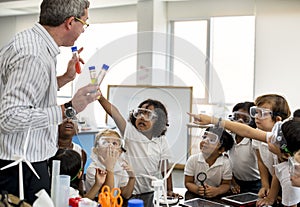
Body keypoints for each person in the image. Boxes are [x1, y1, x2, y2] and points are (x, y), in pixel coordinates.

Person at [0, 0, 101, 204]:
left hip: (25, 162)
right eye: (85, 23)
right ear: (70, 22)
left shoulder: (33, 44)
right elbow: (9, 118)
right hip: (19, 168)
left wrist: (65, 78)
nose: (83, 30)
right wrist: (70, 108)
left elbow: (31, 95)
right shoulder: (33, 54)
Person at [188, 94, 291, 206]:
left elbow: (279, 171)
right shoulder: (261, 136)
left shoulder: (280, 139)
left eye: (262, 113)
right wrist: (265, 185)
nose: (256, 116)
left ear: (277, 119)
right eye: (255, 112)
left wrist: (271, 197)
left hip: (286, 183)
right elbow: (262, 161)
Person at [98, 96, 178, 206]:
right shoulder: (130, 131)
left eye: (148, 114)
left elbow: (165, 168)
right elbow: (115, 113)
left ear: (159, 121)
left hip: (149, 192)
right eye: (139, 113)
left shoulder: (161, 140)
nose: (142, 117)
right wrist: (100, 98)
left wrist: (169, 190)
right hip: (128, 191)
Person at [184, 125, 234, 198]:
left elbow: (226, 185)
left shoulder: (226, 163)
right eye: (204, 137)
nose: (205, 141)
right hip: (195, 195)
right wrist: (197, 189)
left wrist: (217, 191)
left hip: (216, 197)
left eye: (212, 140)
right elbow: (188, 182)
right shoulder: (192, 160)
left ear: (221, 150)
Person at [85, 129, 135, 200]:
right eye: (105, 143)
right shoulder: (93, 169)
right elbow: (107, 196)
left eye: (114, 143)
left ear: (120, 151)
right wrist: (109, 168)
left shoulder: (120, 167)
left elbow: (126, 195)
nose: (110, 146)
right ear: (96, 150)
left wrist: (132, 178)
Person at [227, 102, 261, 194]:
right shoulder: (229, 137)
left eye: (245, 119)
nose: (240, 121)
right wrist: (232, 182)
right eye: (237, 117)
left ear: (252, 121)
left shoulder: (254, 140)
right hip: (236, 181)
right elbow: (226, 162)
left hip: (256, 183)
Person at [58, 118, 87, 193]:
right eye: (63, 117)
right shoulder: (46, 151)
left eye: (73, 118)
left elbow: (80, 180)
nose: (69, 120)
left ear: (77, 129)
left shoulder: (81, 152)